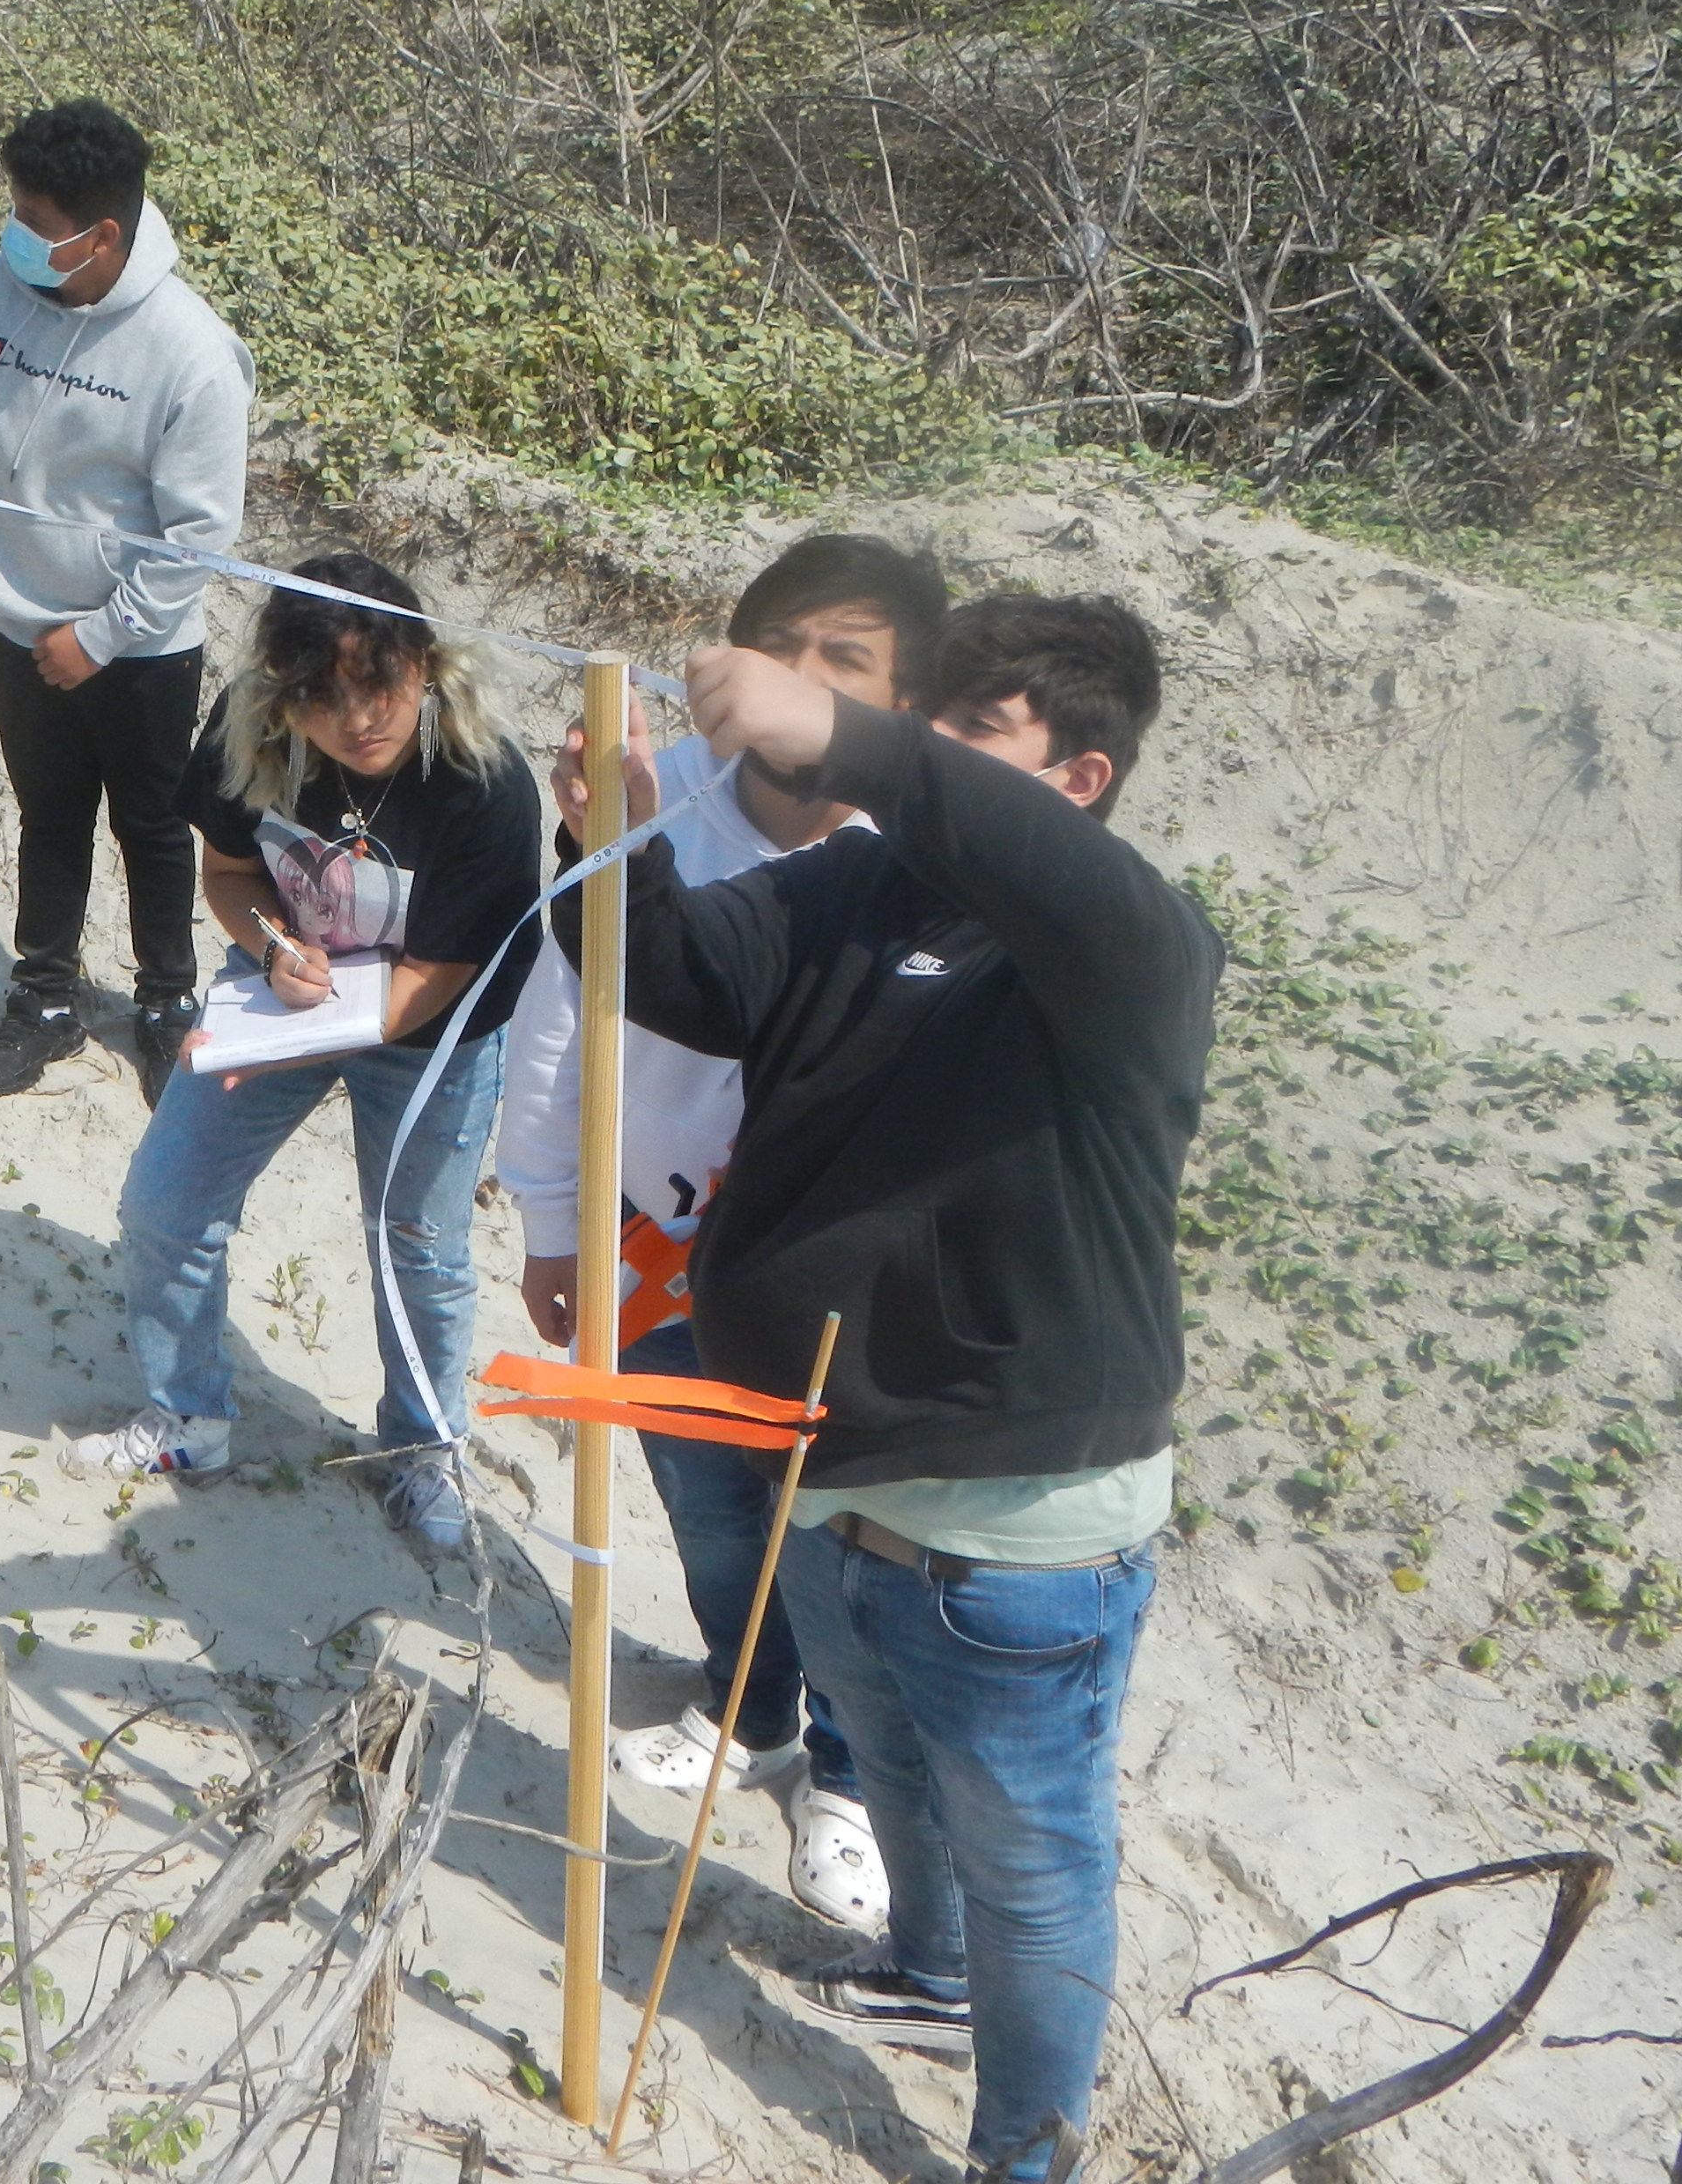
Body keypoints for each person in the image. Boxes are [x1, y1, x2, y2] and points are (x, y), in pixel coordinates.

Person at [551, 592, 1218, 2184]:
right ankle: (926, 1976)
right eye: (932, 712)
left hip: (1020, 1526)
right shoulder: (861, 884)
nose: (926, 743)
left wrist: (843, 733)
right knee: (894, 1768)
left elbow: (968, 818)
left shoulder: (1129, 943)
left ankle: (1024, 2158)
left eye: (975, 727)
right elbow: (679, 976)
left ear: (1080, 779)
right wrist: (614, 846)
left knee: (1031, 1859)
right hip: (828, 1472)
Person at [496, 534, 946, 1936]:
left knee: (841, 1534)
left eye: (845, 664)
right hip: (656, 1239)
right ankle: (749, 1711)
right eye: (780, 648)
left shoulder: (927, 855)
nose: (801, 684)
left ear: (905, 709)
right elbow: (557, 1020)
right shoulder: (651, 802)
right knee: (705, 1501)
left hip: (838, 1276)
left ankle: (851, 1778)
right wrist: (556, 1221)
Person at [62, 555, 541, 1558]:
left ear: (424, 663)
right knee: (165, 1198)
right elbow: (231, 873)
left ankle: (422, 1447)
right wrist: (274, 949)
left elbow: (445, 967)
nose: (358, 719)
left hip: (433, 1033)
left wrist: (294, 1037)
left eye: (381, 684)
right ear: (285, 697)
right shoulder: (252, 732)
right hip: (283, 996)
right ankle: (188, 1416)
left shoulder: (482, 779)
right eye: (322, 699)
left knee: (419, 1247)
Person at [0, 99, 254, 1107]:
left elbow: (197, 533)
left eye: (35, 219)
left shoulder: (191, 353)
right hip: (16, 620)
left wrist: (101, 637)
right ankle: (44, 998)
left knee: (151, 826)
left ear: (101, 234)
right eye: (14, 210)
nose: (15, 234)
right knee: (48, 817)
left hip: (140, 648)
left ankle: (165, 1002)